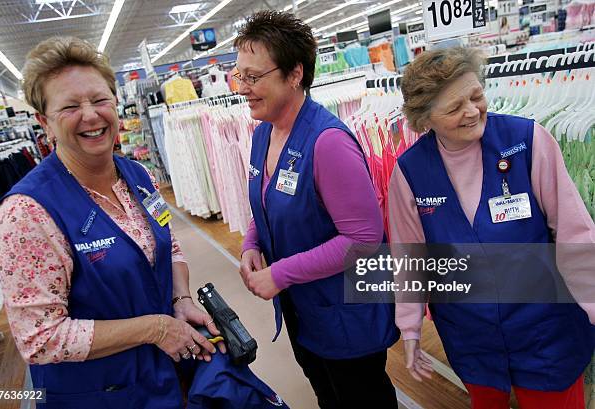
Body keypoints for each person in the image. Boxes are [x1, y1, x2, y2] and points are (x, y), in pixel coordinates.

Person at [0, 36, 227, 408]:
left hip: (165, 376)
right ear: (44, 122)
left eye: (100, 100)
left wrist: (179, 298)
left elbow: (169, 245)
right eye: (70, 106)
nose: (90, 115)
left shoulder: (137, 174)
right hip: (102, 393)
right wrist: (156, 328)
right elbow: (40, 337)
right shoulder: (28, 212)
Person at [389, 47, 595, 409]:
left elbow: (575, 235)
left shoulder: (529, 141)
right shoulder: (408, 173)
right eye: (454, 108)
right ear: (424, 120)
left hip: (545, 327)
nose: (471, 111)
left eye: (476, 96)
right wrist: (409, 329)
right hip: (470, 334)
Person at [235, 11, 399, 409]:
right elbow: (266, 203)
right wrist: (251, 242)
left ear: (294, 74)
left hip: (345, 316)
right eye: (239, 76)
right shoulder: (262, 134)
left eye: (253, 77)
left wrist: (281, 273)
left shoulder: (328, 143)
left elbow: (362, 240)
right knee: (328, 395)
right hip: (303, 311)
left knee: (359, 397)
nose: (243, 88)